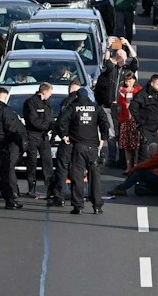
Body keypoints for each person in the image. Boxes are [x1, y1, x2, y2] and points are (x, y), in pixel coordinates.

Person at [60, 85, 112, 214]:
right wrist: (103, 138)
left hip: (78, 146)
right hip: (93, 147)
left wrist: (64, 135)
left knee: (77, 176)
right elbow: (105, 122)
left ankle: (78, 206)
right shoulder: (95, 107)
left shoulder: (73, 107)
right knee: (94, 176)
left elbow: (62, 120)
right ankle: (97, 205)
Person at [0, 89, 29, 210]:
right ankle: (10, 201)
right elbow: (14, 130)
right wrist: (22, 145)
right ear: (5, 97)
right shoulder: (5, 111)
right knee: (4, 175)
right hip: (1, 146)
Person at [23, 82, 61, 205]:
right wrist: (48, 126)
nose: (51, 95)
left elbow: (49, 118)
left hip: (44, 137)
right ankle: (31, 188)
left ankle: (50, 188)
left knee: (48, 162)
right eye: (50, 92)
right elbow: (33, 121)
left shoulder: (46, 104)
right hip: (32, 135)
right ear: (44, 92)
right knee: (32, 162)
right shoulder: (30, 103)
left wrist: (52, 126)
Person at [130, 74, 158, 156]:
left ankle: (153, 169)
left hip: (155, 129)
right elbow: (133, 107)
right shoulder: (143, 94)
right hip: (146, 128)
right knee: (145, 153)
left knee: (155, 153)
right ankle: (142, 168)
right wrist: (140, 121)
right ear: (152, 83)